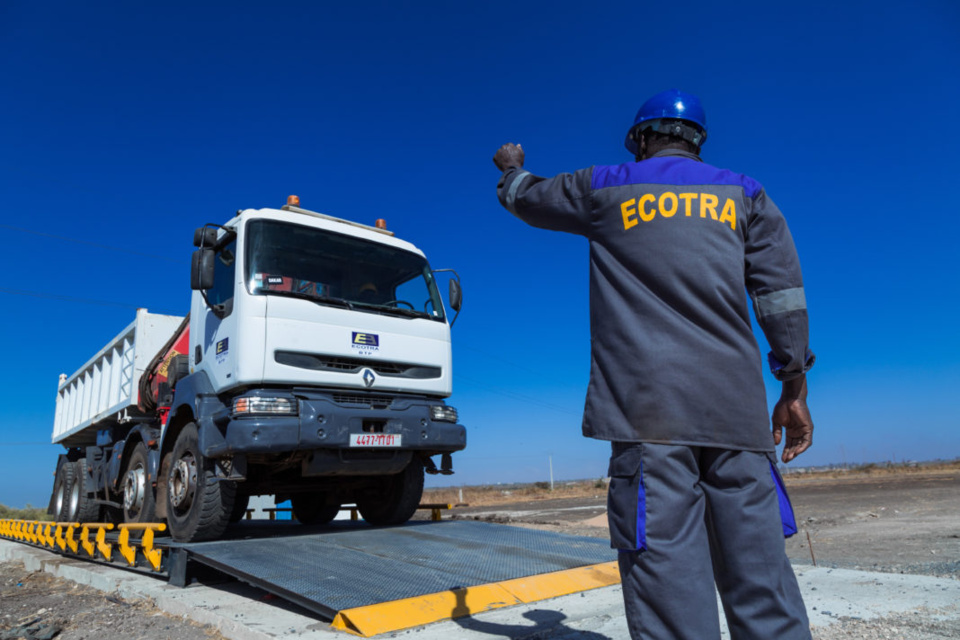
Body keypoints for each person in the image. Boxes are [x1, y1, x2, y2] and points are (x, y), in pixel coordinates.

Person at [493, 89, 815, 640]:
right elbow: (782, 301)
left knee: (668, 581)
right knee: (761, 574)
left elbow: (526, 199)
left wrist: (511, 168)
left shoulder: (604, 185)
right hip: (738, 419)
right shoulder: (745, 194)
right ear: (699, 141)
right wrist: (793, 388)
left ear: (641, 139)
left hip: (650, 421)